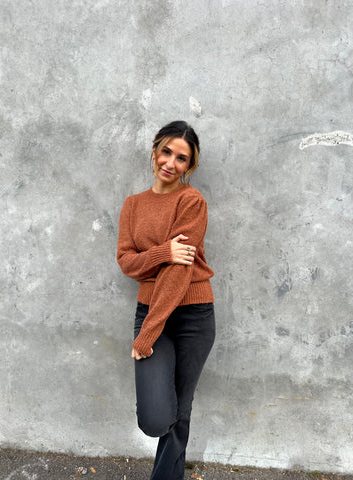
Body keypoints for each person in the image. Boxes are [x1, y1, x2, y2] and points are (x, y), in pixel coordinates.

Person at [117, 120, 215, 480]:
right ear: (155, 151)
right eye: (167, 152)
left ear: (190, 166)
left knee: (181, 409)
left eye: (182, 158)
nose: (171, 163)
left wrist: (147, 334)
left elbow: (180, 271)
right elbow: (127, 262)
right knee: (157, 418)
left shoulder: (191, 201)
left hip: (192, 316)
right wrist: (163, 252)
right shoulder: (133, 205)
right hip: (151, 311)